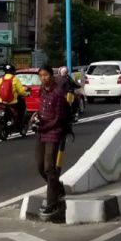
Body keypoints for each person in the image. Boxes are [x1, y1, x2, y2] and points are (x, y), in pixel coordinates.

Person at [34, 65, 70, 218]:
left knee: (49, 168)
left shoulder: (58, 94)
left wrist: (45, 126)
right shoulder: (42, 90)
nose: (44, 78)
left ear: (51, 75)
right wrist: (35, 118)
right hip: (41, 133)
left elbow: (59, 118)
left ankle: (51, 202)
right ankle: (58, 187)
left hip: (54, 133)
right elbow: (41, 110)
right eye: (41, 76)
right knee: (40, 166)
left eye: (46, 75)